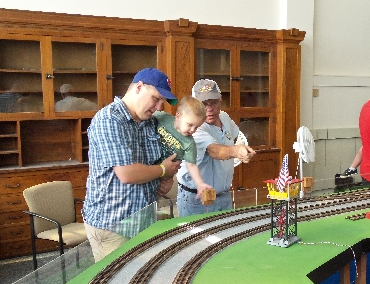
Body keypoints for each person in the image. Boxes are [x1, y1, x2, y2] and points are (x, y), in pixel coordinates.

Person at [82, 68, 181, 262]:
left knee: (139, 283)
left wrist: (167, 176)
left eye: (163, 101)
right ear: (139, 87)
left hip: (144, 220)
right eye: (156, 98)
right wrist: (162, 170)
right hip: (112, 226)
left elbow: (176, 148)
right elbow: (127, 174)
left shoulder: (151, 122)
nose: (159, 107)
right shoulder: (109, 120)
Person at [176, 79, 256, 217]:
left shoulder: (224, 117)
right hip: (197, 199)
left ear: (220, 101)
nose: (209, 109)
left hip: (223, 196)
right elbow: (214, 150)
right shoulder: (194, 127)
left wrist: (244, 151)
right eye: (203, 104)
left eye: (213, 103)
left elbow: (235, 136)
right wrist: (236, 151)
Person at [153, 96, 212, 198]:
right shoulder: (162, 118)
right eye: (190, 124)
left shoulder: (189, 143)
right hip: (149, 165)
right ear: (178, 116)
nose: (192, 130)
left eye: (196, 127)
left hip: (164, 177)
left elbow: (192, 165)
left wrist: (200, 184)